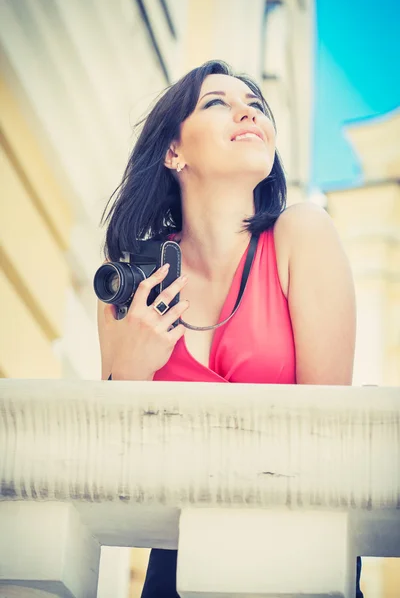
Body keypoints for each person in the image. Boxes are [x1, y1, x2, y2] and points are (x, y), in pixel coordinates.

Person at [97, 61, 361, 597]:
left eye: (256, 104)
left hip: (298, 556)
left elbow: (329, 440)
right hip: (177, 564)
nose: (248, 110)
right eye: (217, 102)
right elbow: (113, 465)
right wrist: (128, 370)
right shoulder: (128, 284)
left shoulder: (301, 235)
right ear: (175, 151)